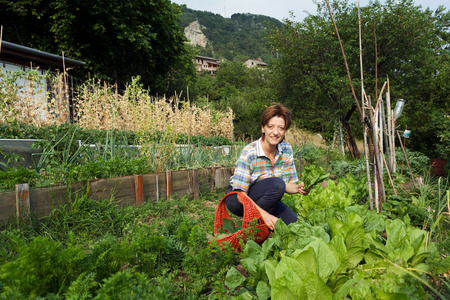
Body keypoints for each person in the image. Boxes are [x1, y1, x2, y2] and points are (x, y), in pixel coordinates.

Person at [225, 103, 310, 231]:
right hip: (238, 197)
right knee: (277, 184)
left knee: (293, 226)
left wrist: (298, 188)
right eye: (271, 127)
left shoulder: (286, 149)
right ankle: (251, 229)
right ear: (263, 128)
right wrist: (265, 216)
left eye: (281, 128)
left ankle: (258, 224)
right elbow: (240, 195)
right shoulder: (250, 152)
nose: (275, 132)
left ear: (285, 130)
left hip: (266, 196)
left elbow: (287, 185)